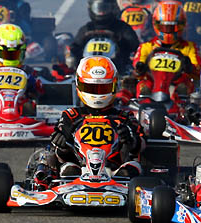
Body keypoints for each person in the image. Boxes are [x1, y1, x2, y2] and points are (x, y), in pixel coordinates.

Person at [34, 56, 145, 184]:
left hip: (115, 173)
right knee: (67, 168)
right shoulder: (71, 116)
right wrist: (62, 143)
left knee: (133, 167)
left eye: (103, 89)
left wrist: (130, 139)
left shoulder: (124, 117)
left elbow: (142, 145)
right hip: (79, 170)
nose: (98, 94)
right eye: (92, 88)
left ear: (115, 86)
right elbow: (61, 154)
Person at [132, 0, 201, 97]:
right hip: (153, 85)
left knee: (184, 86)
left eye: (172, 27)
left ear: (182, 25)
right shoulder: (146, 47)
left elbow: (199, 71)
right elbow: (137, 69)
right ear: (156, 25)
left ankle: (181, 103)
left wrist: (190, 67)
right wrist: (140, 68)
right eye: (164, 27)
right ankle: (142, 103)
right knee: (143, 85)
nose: (168, 31)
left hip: (178, 85)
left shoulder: (190, 47)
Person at [67, 0, 139, 72]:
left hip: (118, 71)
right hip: (88, 71)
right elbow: (74, 48)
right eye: (98, 9)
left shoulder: (122, 28)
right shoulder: (87, 28)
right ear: (91, 8)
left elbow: (135, 47)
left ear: (113, 8)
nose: (101, 12)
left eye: (105, 8)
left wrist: (121, 43)